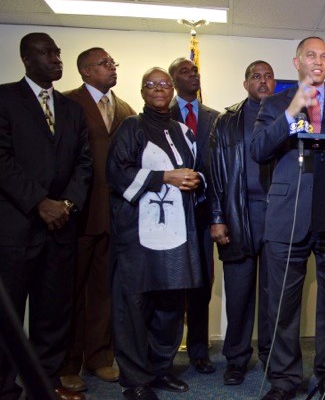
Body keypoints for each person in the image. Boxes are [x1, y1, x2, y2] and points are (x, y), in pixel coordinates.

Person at [250, 36, 325, 400]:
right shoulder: (274, 104)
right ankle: (285, 381)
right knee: (283, 306)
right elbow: (257, 149)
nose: (319, 60)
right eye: (311, 55)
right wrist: (290, 114)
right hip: (288, 216)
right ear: (297, 61)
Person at [0, 32, 92, 400]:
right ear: (26, 58)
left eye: (57, 52)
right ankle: (5, 389)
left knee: (52, 312)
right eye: (47, 52)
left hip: (60, 227)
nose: (56, 58)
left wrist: (66, 204)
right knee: (8, 315)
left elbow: (84, 164)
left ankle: (48, 383)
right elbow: (2, 159)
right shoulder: (4, 99)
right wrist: (40, 201)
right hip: (17, 227)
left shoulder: (71, 109)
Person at [107, 67, 205, 400]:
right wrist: (165, 177)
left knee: (171, 306)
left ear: (172, 89)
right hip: (138, 234)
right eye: (152, 84)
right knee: (135, 307)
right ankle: (135, 380)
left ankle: (160, 369)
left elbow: (194, 170)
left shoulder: (183, 130)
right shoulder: (130, 127)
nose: (159, 89)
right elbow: (117, 174)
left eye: (165, 84)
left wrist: (195, 180)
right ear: (143, 91)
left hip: (177, 232)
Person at [59, 47, 135, 393]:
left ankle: (101, 357)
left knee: (104, 291)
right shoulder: (67, 103)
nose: (112, 67)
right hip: (78, 214)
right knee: (69, 291)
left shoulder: (124, 109)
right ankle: (67, 362)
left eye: (112, 62)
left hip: (115, 216)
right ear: (86, 71)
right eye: (105, 64)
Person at [210, 60, 275, 386]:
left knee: (272, 295)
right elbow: (216, 174)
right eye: (255, 76)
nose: (262, 81)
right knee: (238, 294)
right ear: (245, 82)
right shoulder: (227, 121)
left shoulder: (287, 116)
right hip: (238, 215)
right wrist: (218, 218)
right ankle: (235, 359)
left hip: (276, 215)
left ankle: (270, 356)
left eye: (267, 76)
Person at [168, 57, 219, 375]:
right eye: (184, 71)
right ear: (173, 80)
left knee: (201, 284)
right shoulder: (160, 113)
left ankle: (199, 351)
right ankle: (164, 353)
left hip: (203, 212)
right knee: (171, 283)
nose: (193, 75)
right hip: (169, 214)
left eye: (196, 70)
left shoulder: (215, 118)